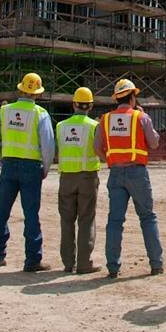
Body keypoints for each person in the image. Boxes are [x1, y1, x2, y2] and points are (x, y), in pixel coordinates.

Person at [95, 78, 163, 278]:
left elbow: (97, 147)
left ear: (117, 98)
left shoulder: (105, 119)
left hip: (115, 173)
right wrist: (145, 119)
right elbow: (154, 143)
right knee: (148, 217)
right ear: (133, 97)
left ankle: (113, 267)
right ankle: (156, 264)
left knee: (114, 221)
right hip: (137, 173)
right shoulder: (141, 118)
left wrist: (110, 158)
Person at [0, 72, 56, 271]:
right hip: (31, 168)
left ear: (20, 89)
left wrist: (3, 160)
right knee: (31, 214)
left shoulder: (4, 111)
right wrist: (45, 167)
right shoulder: (40, 113)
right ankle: (33, 260)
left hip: (9, 165)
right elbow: (48, 145)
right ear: (37, 93)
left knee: (2, 212)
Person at [56, 87, 101, 273]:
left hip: (66, 177)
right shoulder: (94, 126)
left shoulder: (61, 126)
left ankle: (68, 262)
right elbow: (99, 150)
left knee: (66, 220)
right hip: (87, 177)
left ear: (74, 104)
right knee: (86, 219)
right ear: (90, 106)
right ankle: (84, 263)